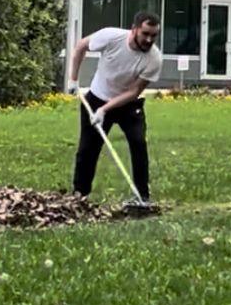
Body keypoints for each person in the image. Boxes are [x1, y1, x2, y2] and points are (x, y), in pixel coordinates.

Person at [67, 12, 162, 208]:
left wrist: (105, 110)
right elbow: (81, 46)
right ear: (134, 29)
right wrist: (73, 80)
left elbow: (134, 91)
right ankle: (79, 195)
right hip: (96, 98)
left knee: (138, 143)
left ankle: (142, 197)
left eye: (154, 35)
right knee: (88, 148)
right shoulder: (111, 37)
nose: (149, 40)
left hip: (129, 105)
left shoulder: (154, 59)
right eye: (145, 34)